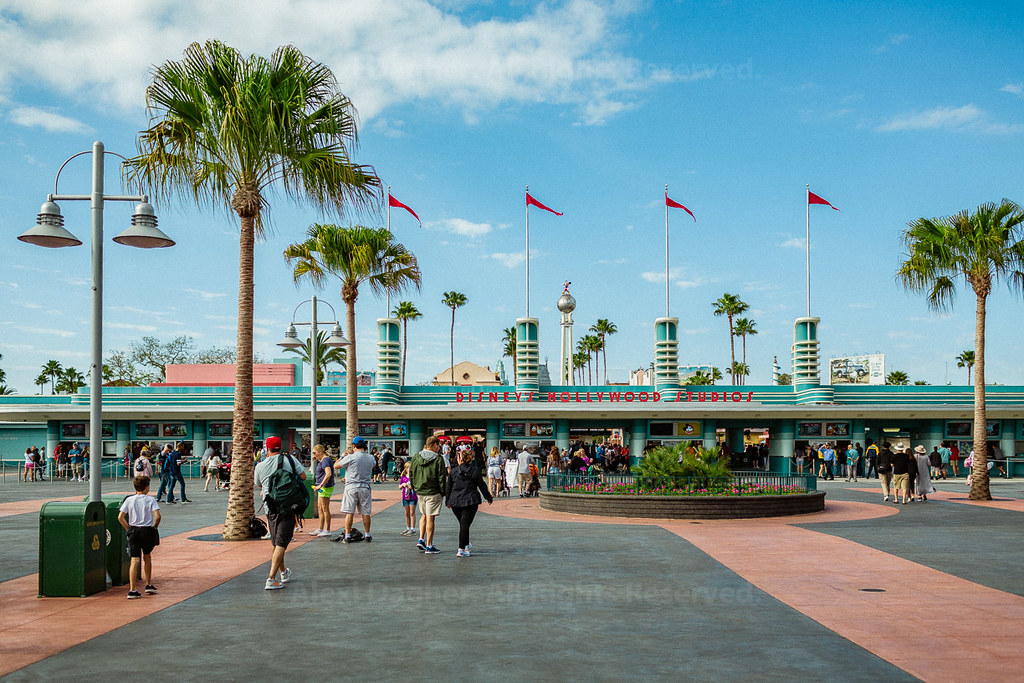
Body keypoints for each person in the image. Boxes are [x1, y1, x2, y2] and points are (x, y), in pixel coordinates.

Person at [254, 436, 306, 590]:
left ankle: (283, 572)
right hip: (288, 506)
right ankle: (271, 579)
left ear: (267, 449)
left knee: (277, 542)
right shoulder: (290, 460)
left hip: (270, 507)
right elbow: (303, 476)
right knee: (281, 543)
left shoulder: (260, 466)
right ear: (280, 447)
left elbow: (258, 484)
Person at [117, 475, 161, 599]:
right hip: (147, 530)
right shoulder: (150, 500)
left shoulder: (129, 500)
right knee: (147, 556)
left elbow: (120, 517)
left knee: (134, 560)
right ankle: (148, 584)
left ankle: (132, 589)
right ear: (147, 487)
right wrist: (155, 526)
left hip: (134, 530)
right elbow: (157, 516)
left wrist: (128, 529)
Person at [445, 448, 493, 557]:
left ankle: (465, 545)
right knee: (465, 524)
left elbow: (448, 487)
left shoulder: (453, 472)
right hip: (470, 500)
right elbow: (482, 485)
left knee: (463, 524)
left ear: (460, 459)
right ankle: (462, 548)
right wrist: (488, 497)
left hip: (455, 501)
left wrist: (447, 500)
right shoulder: (475, 471)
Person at [409, 435, 447, 554]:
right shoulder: (438, 459)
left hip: (420, 491)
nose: (439, 448)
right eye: (438, 446)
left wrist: (414, 487)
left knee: (424, 514)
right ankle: (429, 545)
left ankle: (421, 539)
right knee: (431, 517)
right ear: (435, 445)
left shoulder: (416, 457)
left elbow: (411, 473)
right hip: (433, 491)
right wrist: (443, 491)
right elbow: (441, 477)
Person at [333, 436, 375, 543]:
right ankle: (367, 534)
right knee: (366, 512)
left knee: (349, 512)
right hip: (365, 487)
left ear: (354, 446)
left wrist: (342, 457)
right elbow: (373, 465)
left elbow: (336, 466)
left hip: (351, 487)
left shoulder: (350, 457)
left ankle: (347, 535)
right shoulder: (371, 458)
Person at [309, 444, 335, 537]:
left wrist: (321, 485)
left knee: (325, 508)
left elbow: (328, 473)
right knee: (320, 508)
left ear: (320, 452)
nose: (313, 455)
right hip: (322, 487)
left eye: (314, 453)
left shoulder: (325, 460)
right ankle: (320, 528)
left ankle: (327, 529)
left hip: (325, 487)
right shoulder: (323, 460)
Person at [399, 461, 418, 535]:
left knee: (412, 512)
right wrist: (403, 485)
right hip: (405, 496)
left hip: (413, 496)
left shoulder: (414, 478)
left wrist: (411, 486)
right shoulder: (403, 477)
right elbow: (399, 486)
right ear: (406, 469)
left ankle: (413, 528)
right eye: (409, 467)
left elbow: (416, 486)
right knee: (407, 513)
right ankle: (408, 527)